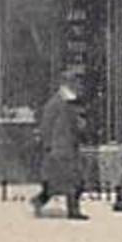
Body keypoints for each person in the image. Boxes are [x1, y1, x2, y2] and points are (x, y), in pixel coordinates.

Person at [32, 72, 86, 220]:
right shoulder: (56, 103)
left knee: (70, 181)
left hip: (68, 147)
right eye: (76, 82)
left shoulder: (68, 102)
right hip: (60, 148)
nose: (79, 86)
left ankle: (42, 201)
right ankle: (72, 210)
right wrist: (48, 145)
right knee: (69, 181)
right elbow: (46, 126)